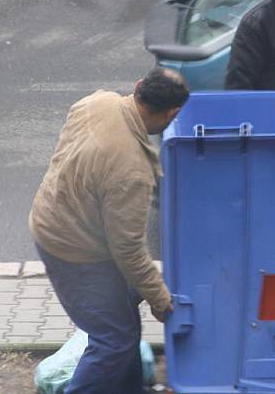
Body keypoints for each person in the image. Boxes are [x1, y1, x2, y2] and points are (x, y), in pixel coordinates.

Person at [29, 67, 189, 394]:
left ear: (138, 86)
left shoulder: (95, 102)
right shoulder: (131, 171)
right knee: (112, 340)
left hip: (55, 221)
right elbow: (127, 250)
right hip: (74, 252)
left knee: (124, 318)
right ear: (172, 112)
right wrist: (160, 299)